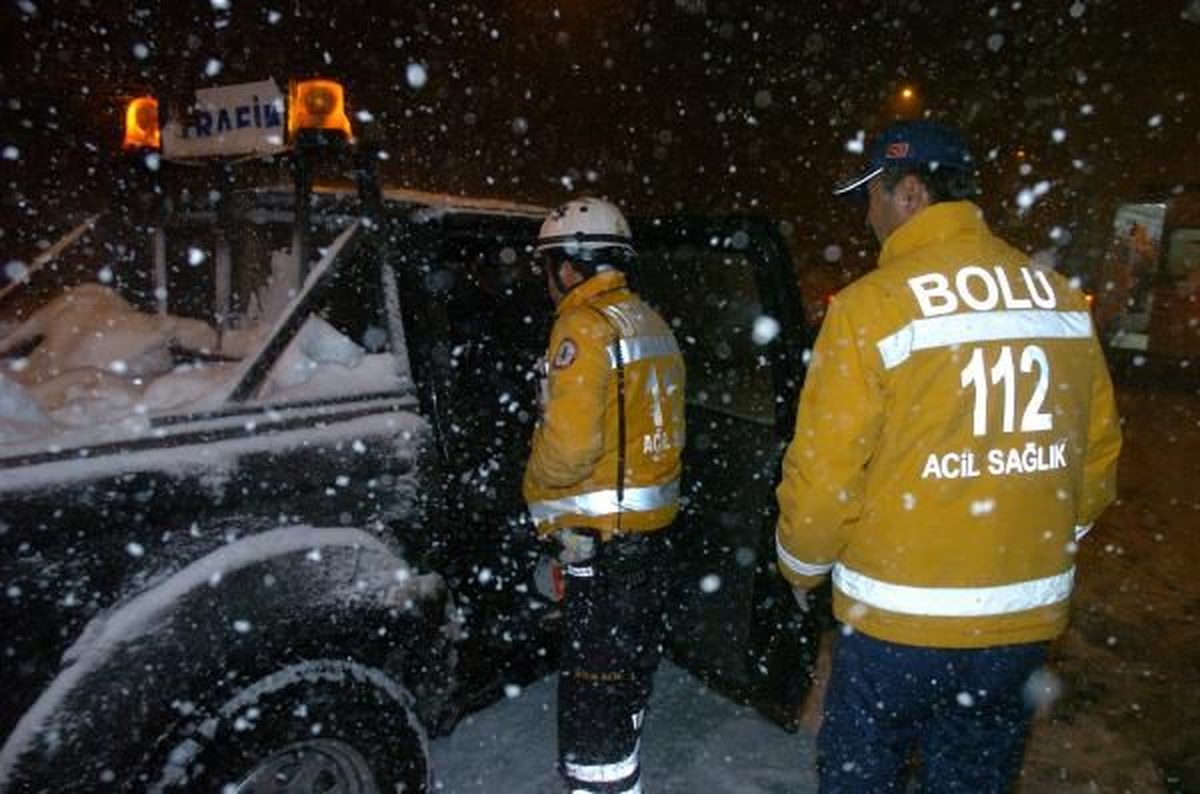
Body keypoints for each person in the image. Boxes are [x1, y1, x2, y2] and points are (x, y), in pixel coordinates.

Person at [774, 120, 1122, 793]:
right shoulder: (1057, 299)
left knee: (861, 774)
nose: (867, 213)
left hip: (896, 624)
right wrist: (1038, 538)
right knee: (972, 777)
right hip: (1019, 628)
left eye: (871, 195)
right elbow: (1097, 452)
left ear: (908, 193)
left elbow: (826, 478)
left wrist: (801, 563)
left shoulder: (872, 307)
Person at [523, 197, 686, 794]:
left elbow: (569, 452)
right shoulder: (647, 319)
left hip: (604, 551)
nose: (546, 278)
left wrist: (531, 490)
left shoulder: (582, 328)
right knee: (625, 686)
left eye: (548, 264)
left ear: (569, 268)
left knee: (593, 702)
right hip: (646, 544)